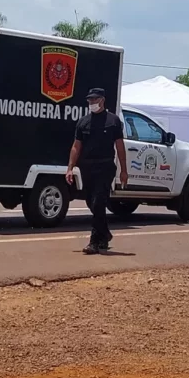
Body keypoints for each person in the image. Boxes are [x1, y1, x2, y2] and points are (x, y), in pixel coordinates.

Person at [66, 88, 128, 255]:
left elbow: (120, 147)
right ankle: (104, 235)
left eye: (94, 100)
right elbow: (76, 146)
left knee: (98, 202)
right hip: (87, 167)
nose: (91, 103)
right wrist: (70, 168)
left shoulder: (113, 121)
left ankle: (94, 242)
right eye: (89, 100)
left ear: (102, 100)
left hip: (105, 166)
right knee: (90, 202)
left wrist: (124, 170)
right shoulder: (83, 122)